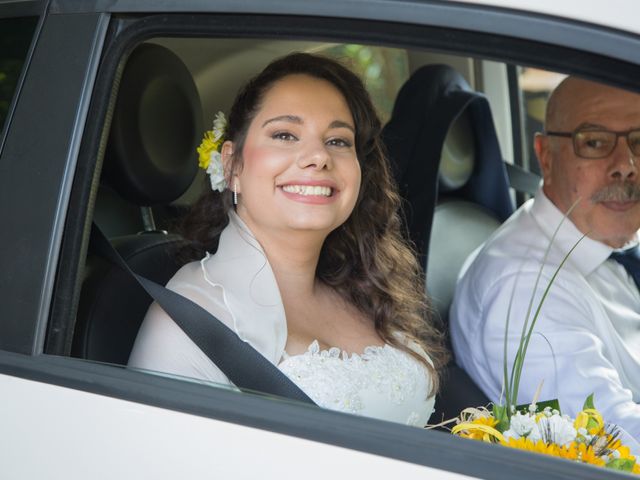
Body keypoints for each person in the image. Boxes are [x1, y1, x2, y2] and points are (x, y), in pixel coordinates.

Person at [128, 53, 448, 427]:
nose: (317, 156)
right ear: (232, 166)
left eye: (338, 140)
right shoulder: (191, 320)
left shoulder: (367, 288)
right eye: (284, 135)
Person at [450, 77, 640, 439]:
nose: (626, 165)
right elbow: (614, 442)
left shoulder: (598, 237)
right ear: (546, 157)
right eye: (595, 142)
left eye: (639, 141)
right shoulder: (528, 291)